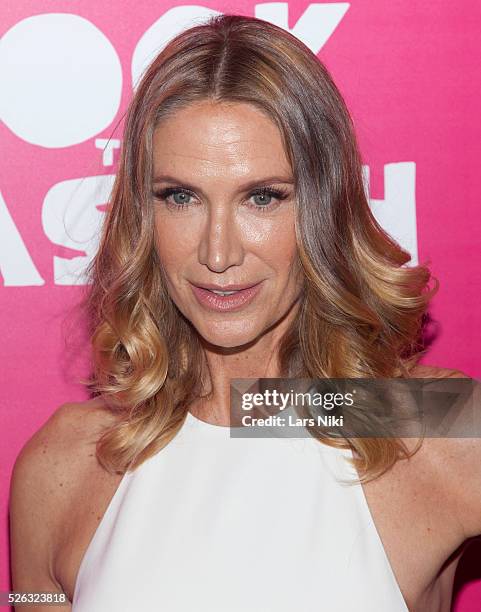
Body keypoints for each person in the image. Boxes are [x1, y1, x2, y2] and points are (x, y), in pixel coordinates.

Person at [8, 13, 480, 612]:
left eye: (263, 197)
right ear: (141, 214)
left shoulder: (426, 424)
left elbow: (264, 411)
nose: (218, 252)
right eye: (180, 197)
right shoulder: (62, 465)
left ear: (323, 207)